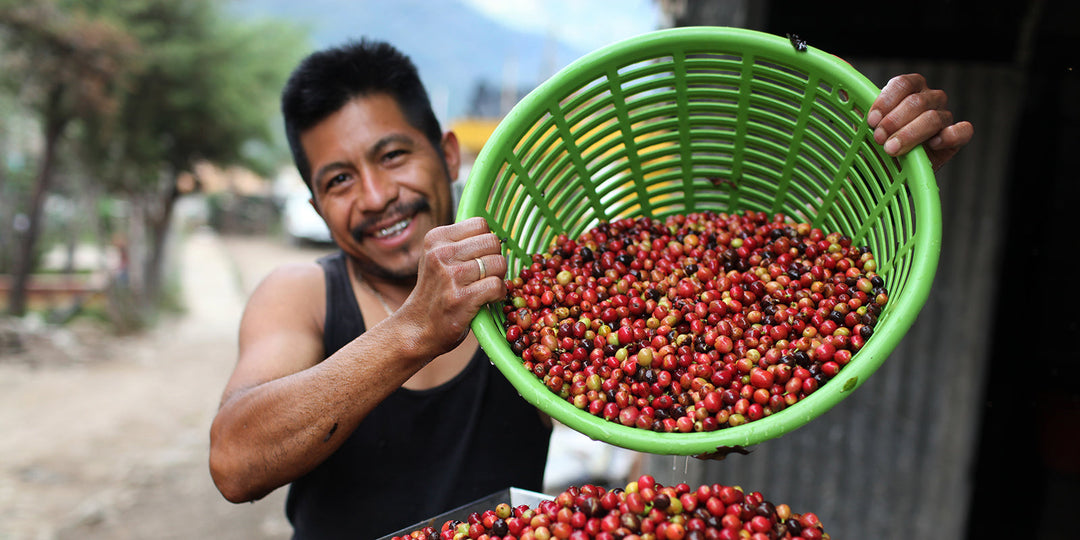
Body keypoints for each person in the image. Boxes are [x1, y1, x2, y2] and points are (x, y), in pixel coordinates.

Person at [208, 38, 973, 539]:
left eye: (393, 156)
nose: (375, 196)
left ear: (446, 152)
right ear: (314, 205)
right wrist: (412, 329)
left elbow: (687, 413)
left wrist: (883, 171)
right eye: (339, 180)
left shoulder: (528, 289)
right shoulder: (299, 292)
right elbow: (236, 464)